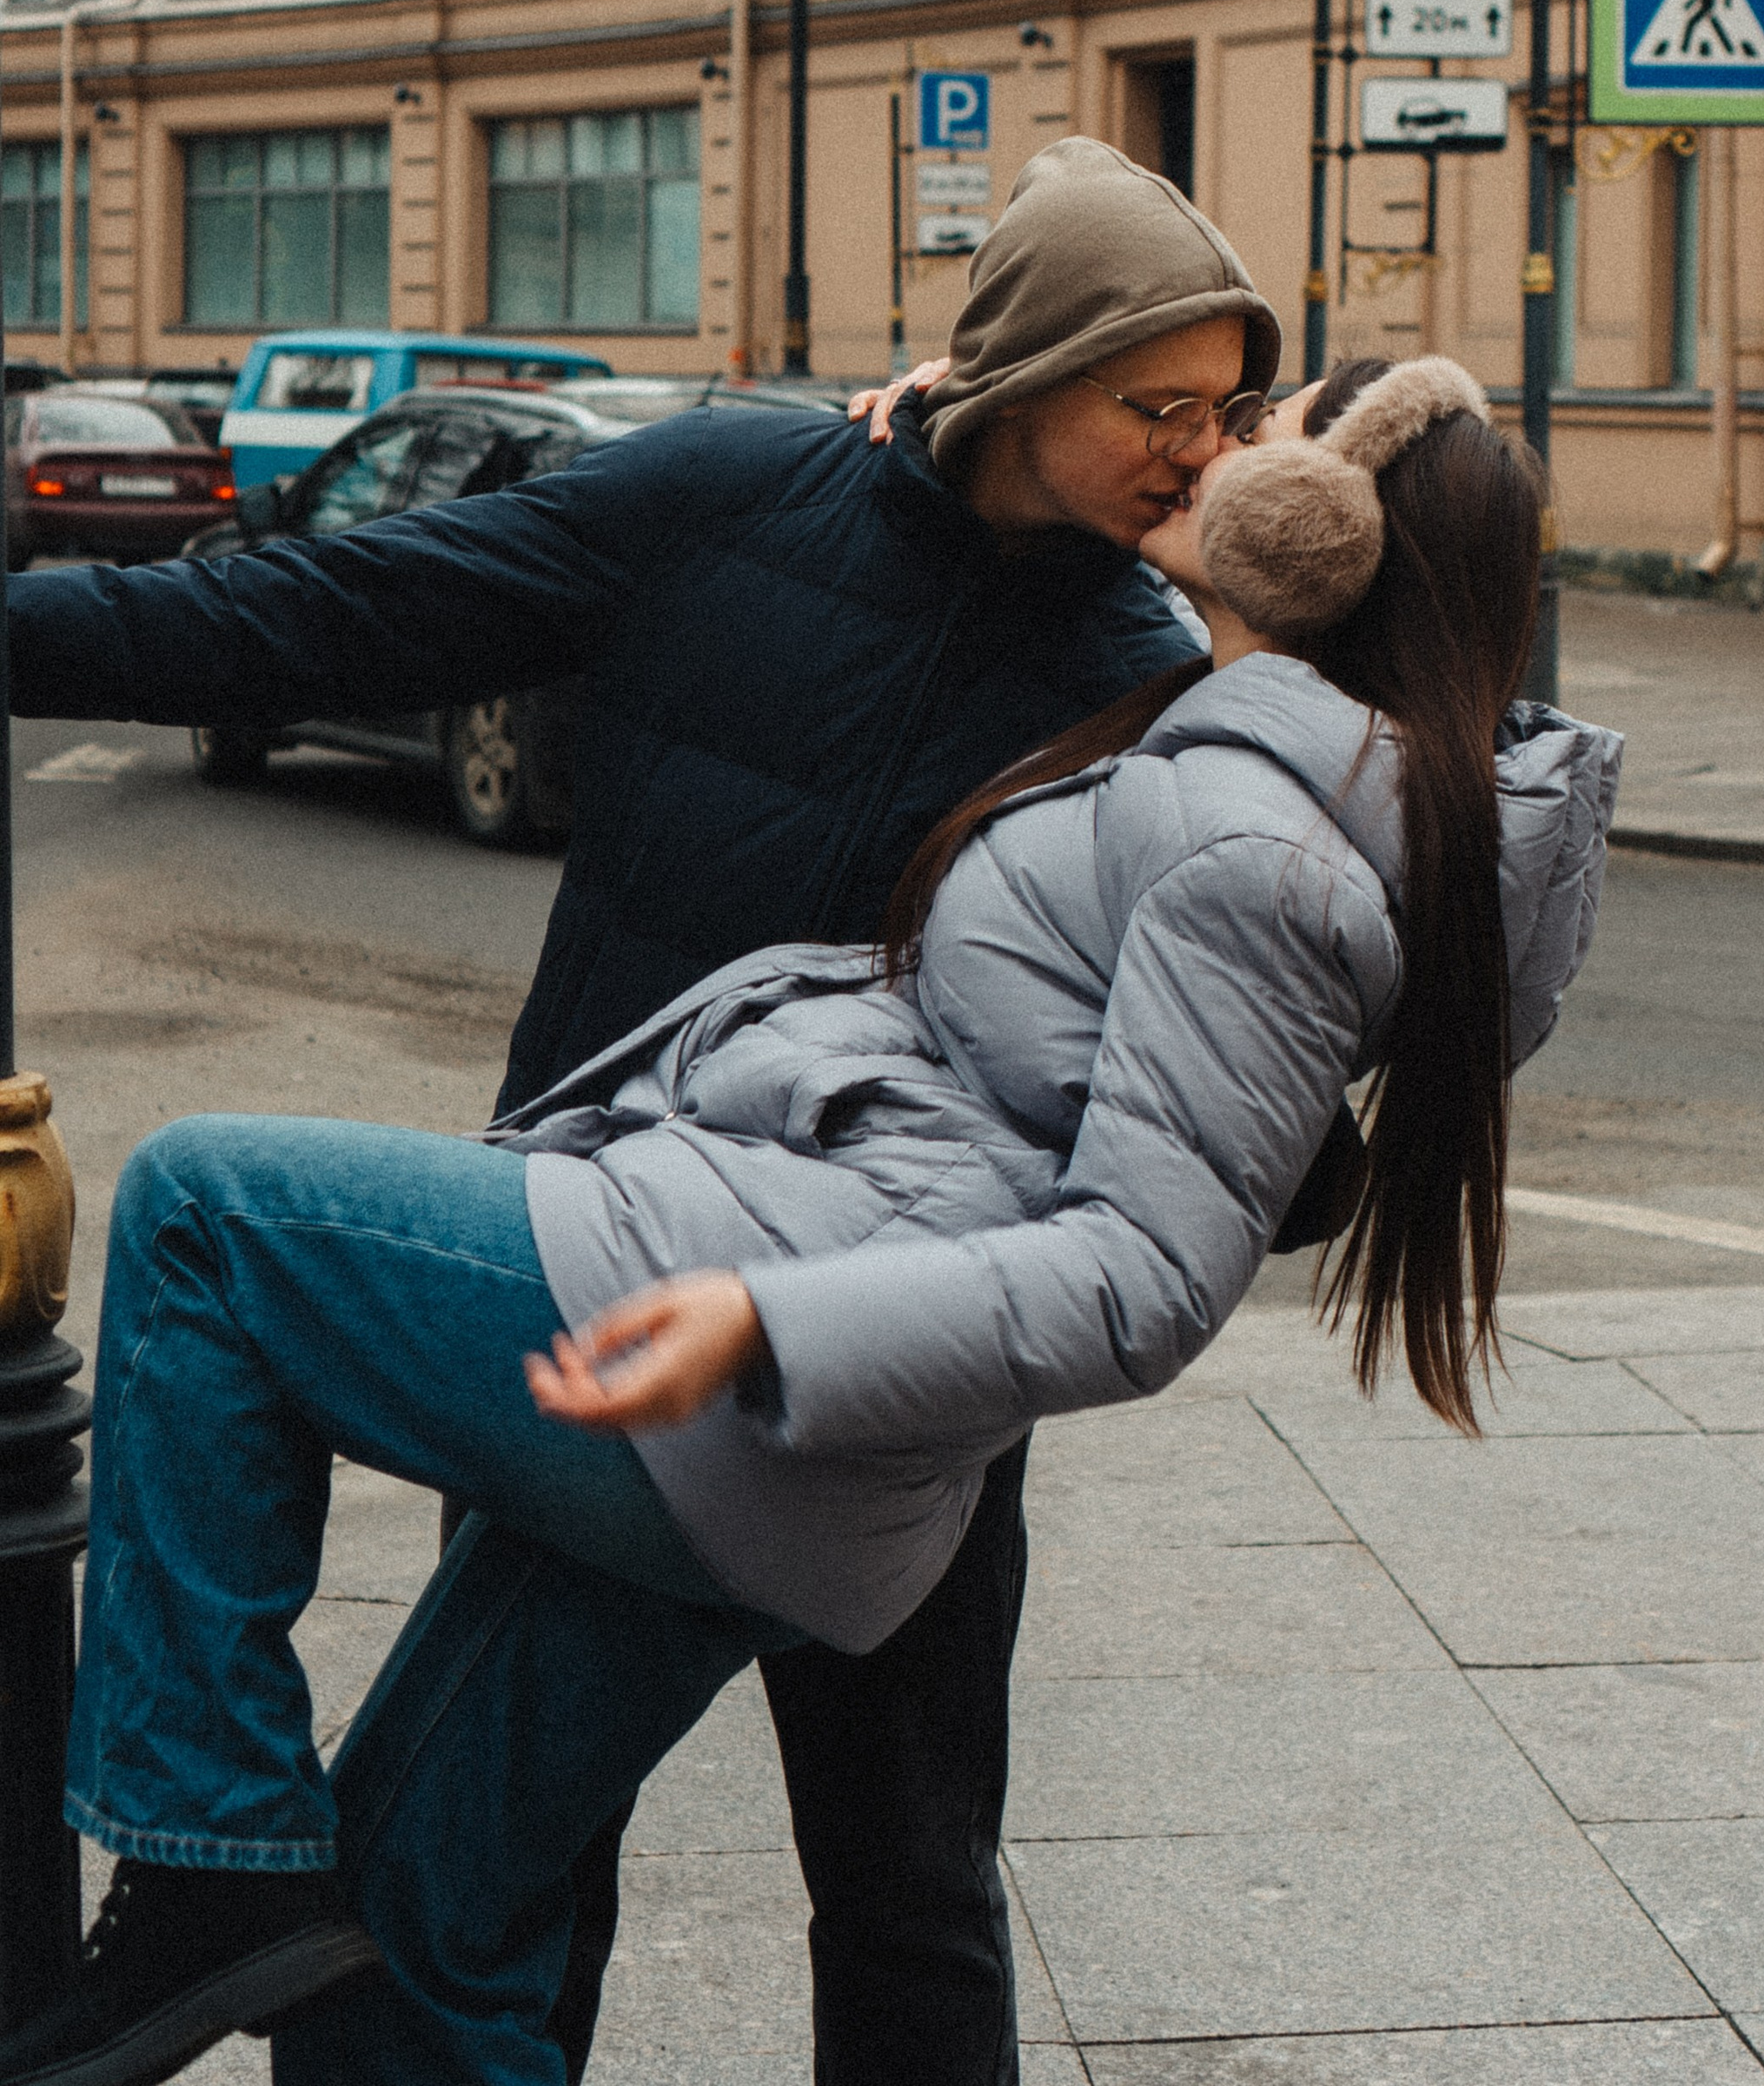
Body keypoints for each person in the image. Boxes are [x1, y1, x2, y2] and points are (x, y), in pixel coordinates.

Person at [0, 354, 1619, 2086]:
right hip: (733, 1284)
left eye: (1247, 427)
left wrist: (766, 1325)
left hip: (785, 1335)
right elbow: (332, 610)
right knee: (422, 1913)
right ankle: (224, 1881)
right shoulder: (1202, 718)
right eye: (1174, 408)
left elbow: (1160, 1260)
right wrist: (944, 428)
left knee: (206, 1215)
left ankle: (203, 1858)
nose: (1205, 453)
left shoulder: (1241, 819)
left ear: (1320, 533)